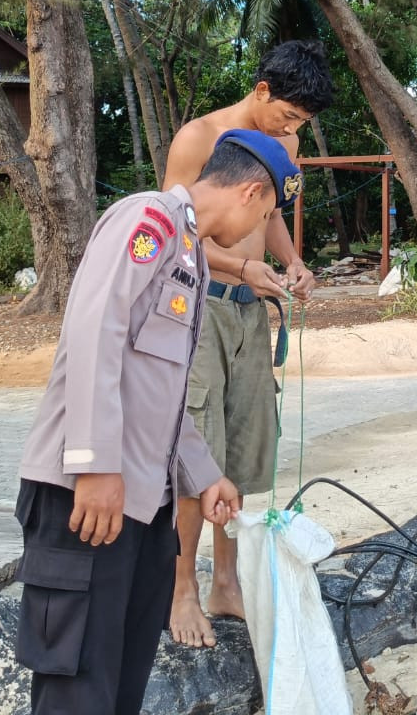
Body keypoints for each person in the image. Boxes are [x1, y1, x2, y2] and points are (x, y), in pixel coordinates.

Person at [14, 129, 303, 714]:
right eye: (267, 213)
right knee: (77, 690)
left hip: (143, 508)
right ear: (251, 194)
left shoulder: (191, 255)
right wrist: (95, 465)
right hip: (87, 500)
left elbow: (161, 391)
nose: (257, 230)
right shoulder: (149, 222)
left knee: (120, 685)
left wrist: (204, 474)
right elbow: (96, 332)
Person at [164, 40, 335, 648]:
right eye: (287, 117)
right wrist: (240, 271)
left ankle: (226, 581)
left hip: (252, 313)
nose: (291, 133)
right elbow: (174, 237)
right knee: (199, 453)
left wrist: (291, 264)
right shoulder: (197, 140)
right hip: (200, 310)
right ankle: (183, 586)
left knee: (242, 450)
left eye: (300, 126)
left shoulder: (283, 146)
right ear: (262, 90)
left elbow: (272, 216)